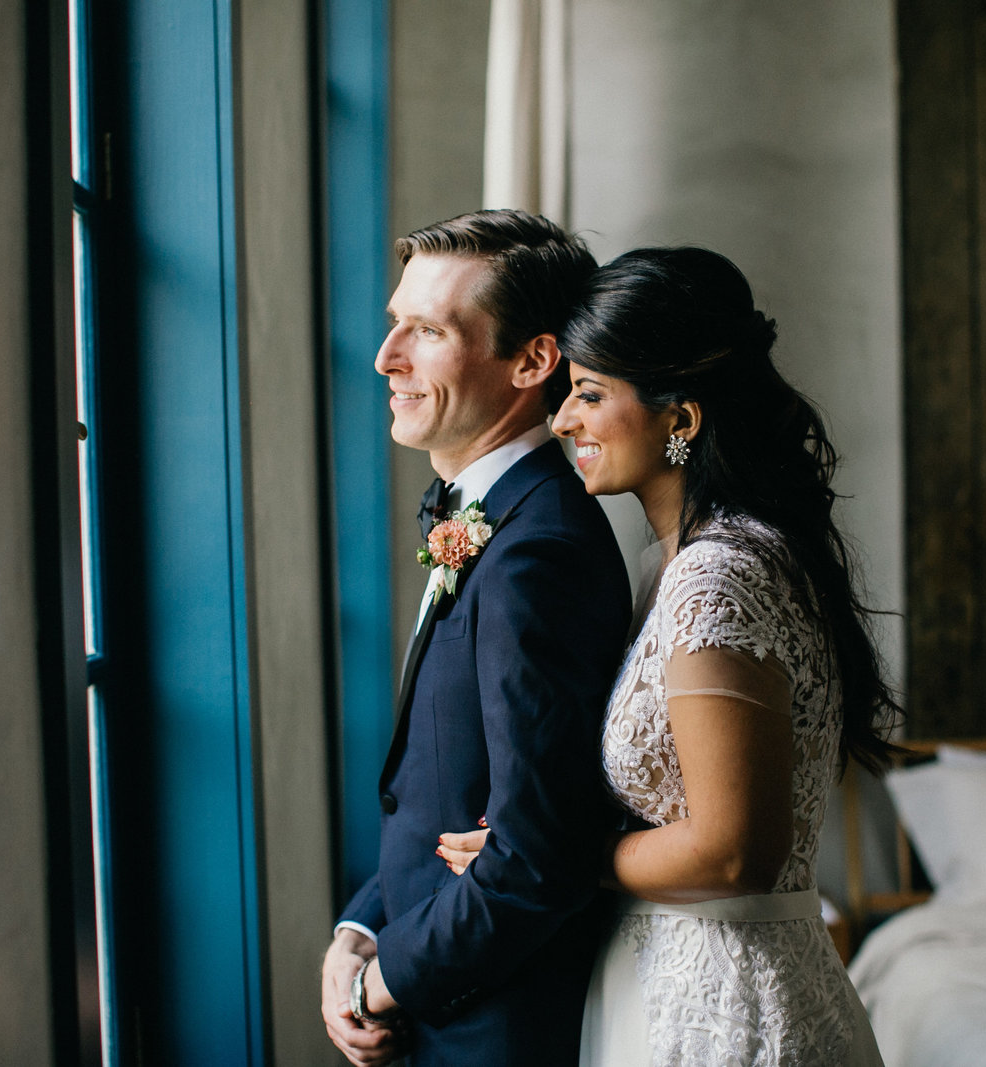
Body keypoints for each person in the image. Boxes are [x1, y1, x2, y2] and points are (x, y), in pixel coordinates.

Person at [438, 246, 898, 1065]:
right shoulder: (693, 565)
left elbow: (730, 850)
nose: (564, 420)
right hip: (686, 980)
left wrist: (551, 855)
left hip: (724, 1009)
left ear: (679, 419)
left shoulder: (715, 578)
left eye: (588, 394)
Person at [320, 209, 632, 1066]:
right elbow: (448, 797)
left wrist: (381, 982)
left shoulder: (540, 552)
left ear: (533, 361)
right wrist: (359, 926)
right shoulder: (491, 516)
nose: (387, 359)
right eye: (395, 326)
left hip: (492, 1031)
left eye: (426, 332)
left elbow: (535, 858)